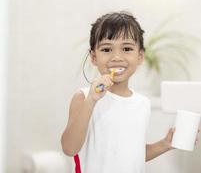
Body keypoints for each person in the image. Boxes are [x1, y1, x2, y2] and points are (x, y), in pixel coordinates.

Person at [61, 11, 185, 173]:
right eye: (106, 49)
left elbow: (131, 155)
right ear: (93, 57)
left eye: (126, 48)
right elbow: (69, 148)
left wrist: (164, 144)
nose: (116, 57)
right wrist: (91, 101)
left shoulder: (142, 103)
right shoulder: (83, 97)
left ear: (140, 56)